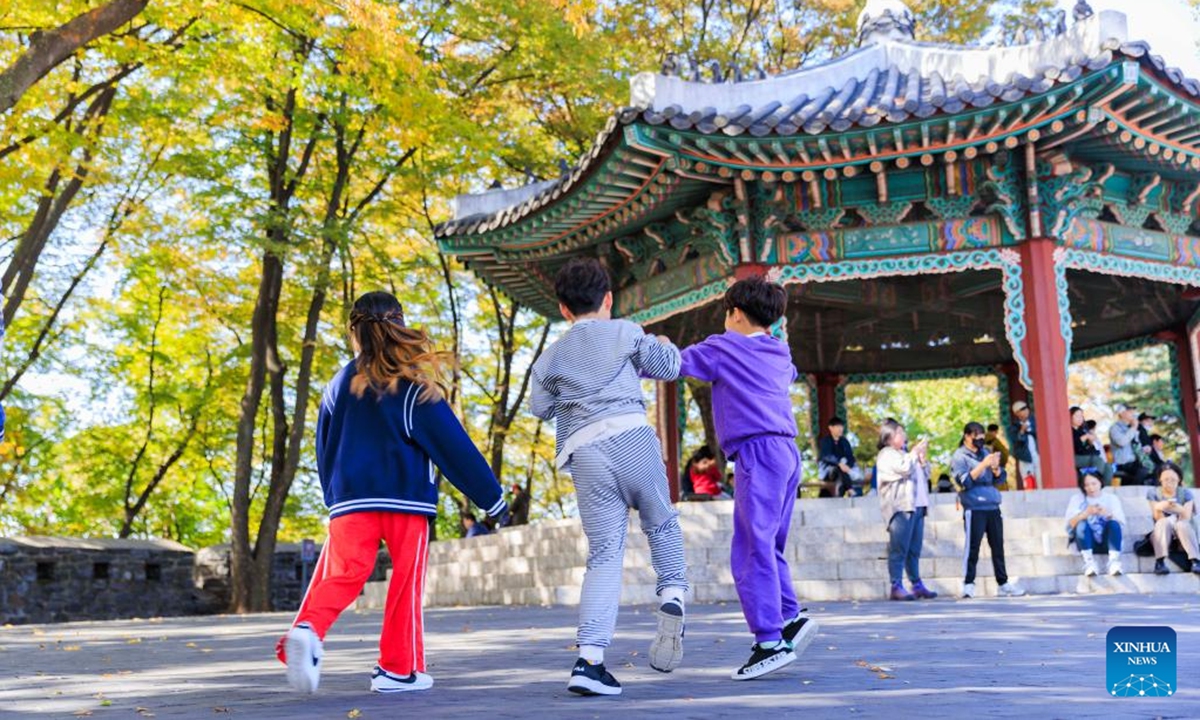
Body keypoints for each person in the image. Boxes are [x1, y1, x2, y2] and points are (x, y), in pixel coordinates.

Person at [276, 291, 508, 695]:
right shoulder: (414, 385)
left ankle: (309, 630)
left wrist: (335, 497)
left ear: (354, 332)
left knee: (343, 574)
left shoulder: (337, 384)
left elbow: (324, 446)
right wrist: (493, 500)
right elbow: (454, 447)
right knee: (405, 582)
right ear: (400, 325)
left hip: (350, 500)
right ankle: (397, 670)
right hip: (405, 499)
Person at [529, 258, 688, 695]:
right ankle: (673, 591)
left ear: (563, 309)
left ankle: (590, 661)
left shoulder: (548, 358)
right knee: (661, 520)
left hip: (586, 453)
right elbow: (668, 366)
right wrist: (659, 343)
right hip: (632, 436)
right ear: (609, 299)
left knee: (603, 556)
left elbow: (540, 407)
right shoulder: (626, 331)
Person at [677, 275, 818, 681]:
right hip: (787, 454)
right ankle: (789, 616)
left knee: (751, 547)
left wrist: (643, 347)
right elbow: (787, 373)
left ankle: (769, 641)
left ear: (735, 313)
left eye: (726, 312)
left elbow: (675, 364)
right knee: (770, 543)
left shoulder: (721, 348)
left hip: (757, 451)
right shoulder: (779, 351)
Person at [951, 422, 1026, 599]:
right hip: (974, 507)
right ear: (967, 436)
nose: (980, 438)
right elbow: (964, 482)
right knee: (973, 547)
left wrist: (996, 469)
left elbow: (999, 480)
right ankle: (968, 583)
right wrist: (983, 465)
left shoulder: (986, 452)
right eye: (976, 435)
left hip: (993, 506)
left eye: (982, 435)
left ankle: (1003, 583)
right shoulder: (959, 456)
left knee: (998, 546)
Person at [875, 419, 936, 601]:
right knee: (899, 548)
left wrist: (922, 460)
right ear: (889, 436)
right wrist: (914, 453)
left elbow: (925, 475)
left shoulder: (905, 454)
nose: (903, 436)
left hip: (917, 506)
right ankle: (896, 585)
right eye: (899, 432)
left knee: (914, 549)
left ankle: (916, 584)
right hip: (901, 507)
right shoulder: (887, 454)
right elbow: (904, 468)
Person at [1063, 472, 1127, 576]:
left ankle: (1113, 562)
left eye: (1094, 483)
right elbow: (1070, 525)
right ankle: (1089, 563)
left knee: (1113, 524)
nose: (1091, 488)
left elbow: (1121, 524)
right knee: (1081, 525)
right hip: (1085, 542)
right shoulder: (1077, 499)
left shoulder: (1112, 498)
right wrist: (1085, 513)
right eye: (1087, 485)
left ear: (1100, 483)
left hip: (1108, 542)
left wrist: (1107, 514)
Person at [1145, 463, 1200, 575]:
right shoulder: (1153, 493)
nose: (1169, 482)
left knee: (1182, 525)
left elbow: (1186, 518)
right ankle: (1160, 562)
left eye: (1173, 480)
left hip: (1184, 534)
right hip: (1162, 534)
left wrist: (1178, 509)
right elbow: (1157, 518)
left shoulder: (1186, 493)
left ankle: (1196, 561)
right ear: (1160, 479)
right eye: (1166, 479)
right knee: (1162, 522)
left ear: (1179, 479)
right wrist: (1160, 507)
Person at [818, 417, 863, 497]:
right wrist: (839, 464)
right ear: (830, 428)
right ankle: (849, 489)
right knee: (839, 469)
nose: (840, 429)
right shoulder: (825, 441)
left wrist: (848, 466)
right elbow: (826, 456)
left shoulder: (845, 442)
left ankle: (840, 496)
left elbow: (850, 457)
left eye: (841, 426)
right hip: (829, 471)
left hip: (844, 472)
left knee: (842, 477)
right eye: (838, 426)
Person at [1071, 407, 1112, 486]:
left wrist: (1091, 441)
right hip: (1075, 456)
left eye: (1081, 416)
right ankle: (1094, 484)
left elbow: (1090, 447)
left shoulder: (1083, 430)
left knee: (1108, 468)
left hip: (1087, 455)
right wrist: (1085, 437)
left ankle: (1104, 488)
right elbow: (1074, 445)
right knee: (1097, 460)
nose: (1080, 418)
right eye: (1077, 416)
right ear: (1070, 417)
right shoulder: (1068, 430)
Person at [1109, 404, 1148, 486]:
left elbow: (1136, 445)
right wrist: (1133, 428)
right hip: (1124, 463)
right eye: (1130, 411)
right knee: (1144, 469)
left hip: (1135, 462)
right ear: (1122, 413)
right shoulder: (1115, 428)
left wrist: (1144, 449)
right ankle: (1133, 489)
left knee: (1154, 469)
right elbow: (1122, 442)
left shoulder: (1130, 428)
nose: (1133, 413)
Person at [1008, 401, 1039, 489]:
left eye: (1026, 407)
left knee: (1041, 479)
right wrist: (1021, 431)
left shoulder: (1035, 422)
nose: (1026, 410)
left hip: (1038, 454)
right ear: (1016, 413)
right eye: (1022, 409)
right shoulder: (1013, 427)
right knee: (1029, 480)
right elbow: (1016, 442)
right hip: (1025, 457)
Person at [983, 424, 1011, 488]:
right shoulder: (994, 440)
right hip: (995, 469)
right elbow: (1005, 453)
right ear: (995, 432)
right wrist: (1001, 464)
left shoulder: (980, 441)